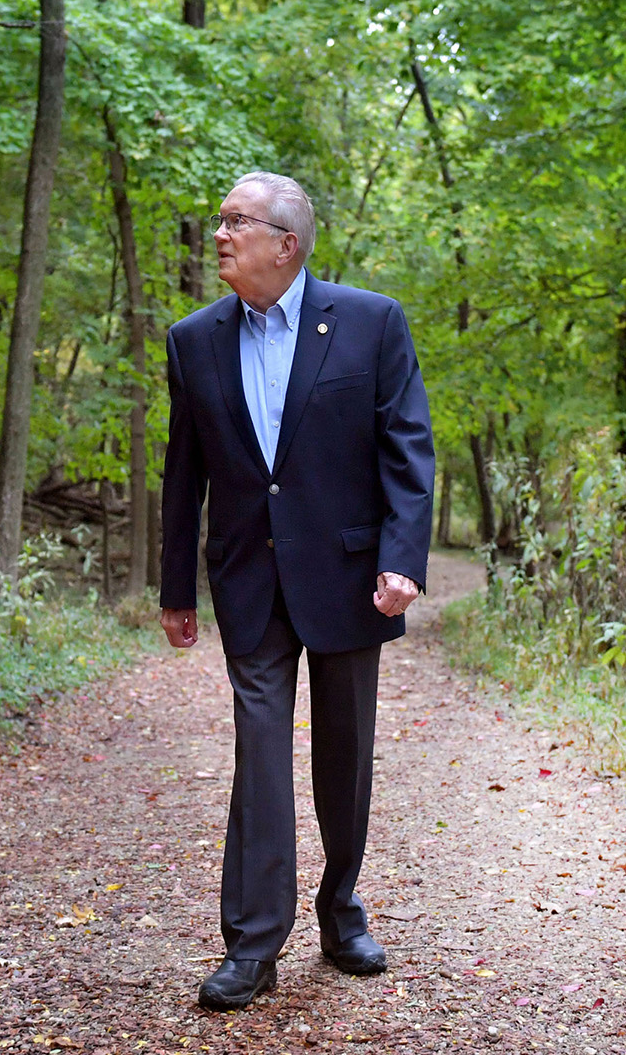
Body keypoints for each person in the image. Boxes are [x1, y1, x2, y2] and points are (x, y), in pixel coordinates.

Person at [159, 171, 435, 1010]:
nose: (219, 235)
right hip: (248, 574)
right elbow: (184, 474)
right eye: (218, 220)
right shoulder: (193, 338)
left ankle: (340, 907)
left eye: (236, 222)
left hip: (351, 574)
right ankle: (252, 942)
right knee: (260, 749)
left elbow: (408, 447)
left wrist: (402, 557)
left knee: (344, 753)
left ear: (288, 243)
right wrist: (176, 586)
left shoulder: (370, 321)